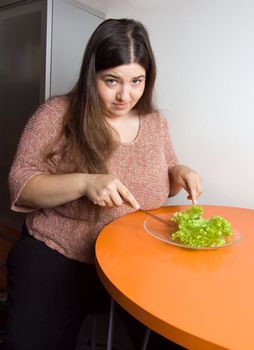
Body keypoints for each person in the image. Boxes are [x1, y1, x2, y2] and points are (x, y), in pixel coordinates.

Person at [5, 18, 202, 350]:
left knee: (178, 334)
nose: (126, 95)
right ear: (91, 74)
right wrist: (84, 183)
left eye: (136, 81)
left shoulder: (155, 122)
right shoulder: (56, 114)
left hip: (136, 258)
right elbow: (20, 184)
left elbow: (162, 181)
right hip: (60, 253)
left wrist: (178, 171)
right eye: (111, 81)